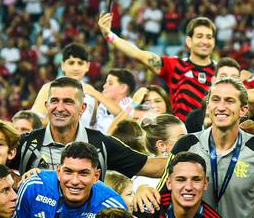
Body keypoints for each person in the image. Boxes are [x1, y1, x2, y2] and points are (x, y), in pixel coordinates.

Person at [172, 77, 254, 218]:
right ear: (208, 106)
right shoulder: (186, 145)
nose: (221, 107)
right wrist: (144, 189)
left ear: (243, 110)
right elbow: (165, 193)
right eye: (215, 100)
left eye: (229, 101)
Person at [16, 77, 164, 182]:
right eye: (54, 101)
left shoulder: (101, 144)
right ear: (47, 105)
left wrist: (184, 153)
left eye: (68, 102)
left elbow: (151, 167)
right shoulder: (27, 143)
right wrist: (17, 182)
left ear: (82, 108)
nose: (59, 108)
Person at [9, 142, 127, 218]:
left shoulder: (113, 206)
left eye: (83, 173)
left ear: (96, 176)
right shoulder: (34, 187)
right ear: (59, 171)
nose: (75, 181)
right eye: (68, 172)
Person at [99, 11, 216, 121]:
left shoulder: (221, 71)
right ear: (189, 41)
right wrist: (110, 36)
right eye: (200, 36)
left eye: (209, 37)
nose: (205, 41)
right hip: (182, 136)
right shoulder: (175, 66)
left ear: (214, 42)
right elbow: (138, 54)